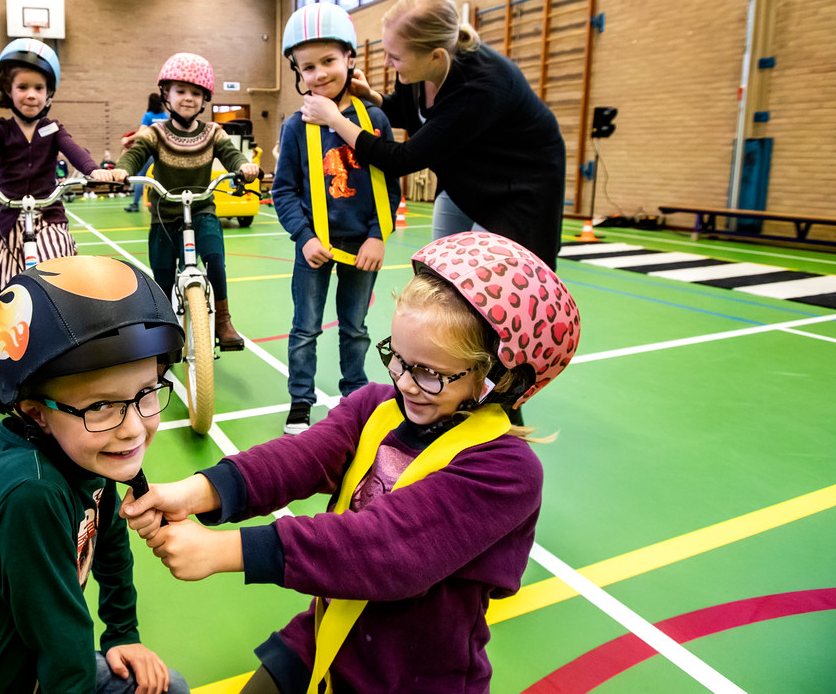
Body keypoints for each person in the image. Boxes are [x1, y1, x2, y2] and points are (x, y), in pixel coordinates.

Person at [123, 232, 581, 694]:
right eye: (396, 359)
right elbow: (301, 456)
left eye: (430, 373)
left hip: (411, 674)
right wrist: (200, 490)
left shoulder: (507, 471)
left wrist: (223, 551)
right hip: (328, 632)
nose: (405, 382)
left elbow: (389, 549)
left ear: (496, 378)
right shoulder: (376, 406)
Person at [0, 255, 191, 694]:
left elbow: (112, 545)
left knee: (168, 685)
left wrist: (122, 632)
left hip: (37, 668)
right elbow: (64, 654)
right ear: (36, 414)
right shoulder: (32, 493)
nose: (133, 428)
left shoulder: (91, 454)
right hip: (3, 681)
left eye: (146, 393)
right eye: (100, 406)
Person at [300, 0, 566, 268]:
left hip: (517, 187)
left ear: (436, 56)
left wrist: (336, 120)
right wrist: (373, 97)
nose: (387, 63)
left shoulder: (480, 89)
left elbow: (400, 159)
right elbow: (413, 113)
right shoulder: (417, 70)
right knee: (439, 268)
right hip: (466, 174)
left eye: (395, 57)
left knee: (486, 280)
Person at [272, 4, 400, 435]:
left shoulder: (375, 119)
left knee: (355, 328)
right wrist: (303, 236)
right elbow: (283, 190)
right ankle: (300, 401)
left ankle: (355, 397)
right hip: (314, 250)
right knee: (304, 328)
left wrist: (378, 236)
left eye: (328, 61)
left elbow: (389, 183)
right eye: (308, 67)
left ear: (349, 60)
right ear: (298, 73)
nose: (320, 73)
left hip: (361, 246)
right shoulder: (294, 127)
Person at [0, 39, 116, 294]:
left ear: (48, 93)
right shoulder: (1, 130)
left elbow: (73, 149)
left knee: (59, 268)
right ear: (9, 90)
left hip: (48, 214)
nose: (31, 94)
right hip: (10, 216)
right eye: (23, 87)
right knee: (5, 280)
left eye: (39, 88)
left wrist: (94, 170)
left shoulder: (53, 129)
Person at [109, 53, 260, 350]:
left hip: (201, 209)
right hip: (165, 213)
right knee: (163, 276)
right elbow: (135, 154)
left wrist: (244, 166)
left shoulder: (213, 132)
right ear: (166, 95)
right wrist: (121, 170)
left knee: (215, 259)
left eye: (195, 93)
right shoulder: (156, 132)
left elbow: (232, 155)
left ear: (205, 99)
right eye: (180, 91)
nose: (188, 98)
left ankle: (223, 321)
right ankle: (164, 330)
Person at [123, 92, 169, 213]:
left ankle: (135, 204)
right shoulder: (167, 116)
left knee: (141, 177)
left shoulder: (148, 116)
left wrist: (128, 139)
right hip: (165, 152)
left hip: (151, 152)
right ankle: (165, 203)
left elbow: (142, 132)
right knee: (163, 178)